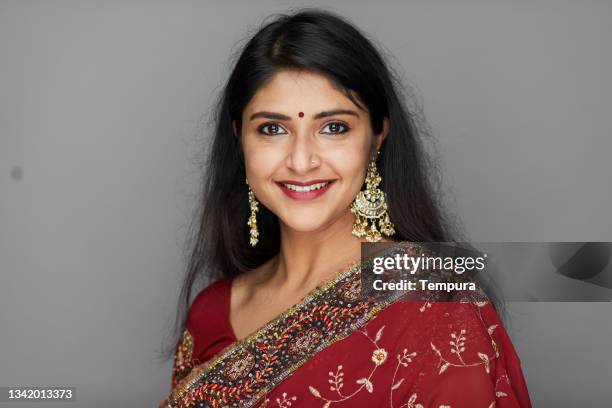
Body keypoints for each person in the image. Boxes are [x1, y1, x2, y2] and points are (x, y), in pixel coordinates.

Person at [160, 9, 531, 408]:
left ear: (377, 137)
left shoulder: (433, 302)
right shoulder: (212, 313)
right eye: (272, 129)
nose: (301, 161)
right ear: (240, 139)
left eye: (334, 127)